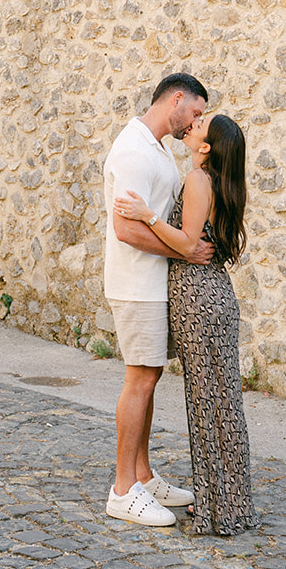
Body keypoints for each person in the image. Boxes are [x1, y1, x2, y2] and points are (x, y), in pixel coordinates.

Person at [115, 113, 259, 537]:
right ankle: (230, 503)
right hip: (214, 297)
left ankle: (218, 508)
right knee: (222, 401)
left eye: (201, 125)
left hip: (198, 297)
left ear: (207, 146)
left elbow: (187, 242)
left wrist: (145, 214)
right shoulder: (219, 182)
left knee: (205, 401)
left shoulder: (199, 179)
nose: (192, 126)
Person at [102, 72, 212, 526]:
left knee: (150, 377)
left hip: (153, 283)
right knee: (140, 380)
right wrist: (186, 248)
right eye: (197, 113)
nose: (196, 123)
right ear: (177, 99)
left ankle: (143, 477)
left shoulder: (157, 148)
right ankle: (123, 489)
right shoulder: (132, 150)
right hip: (135, 284)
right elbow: (126, 229)